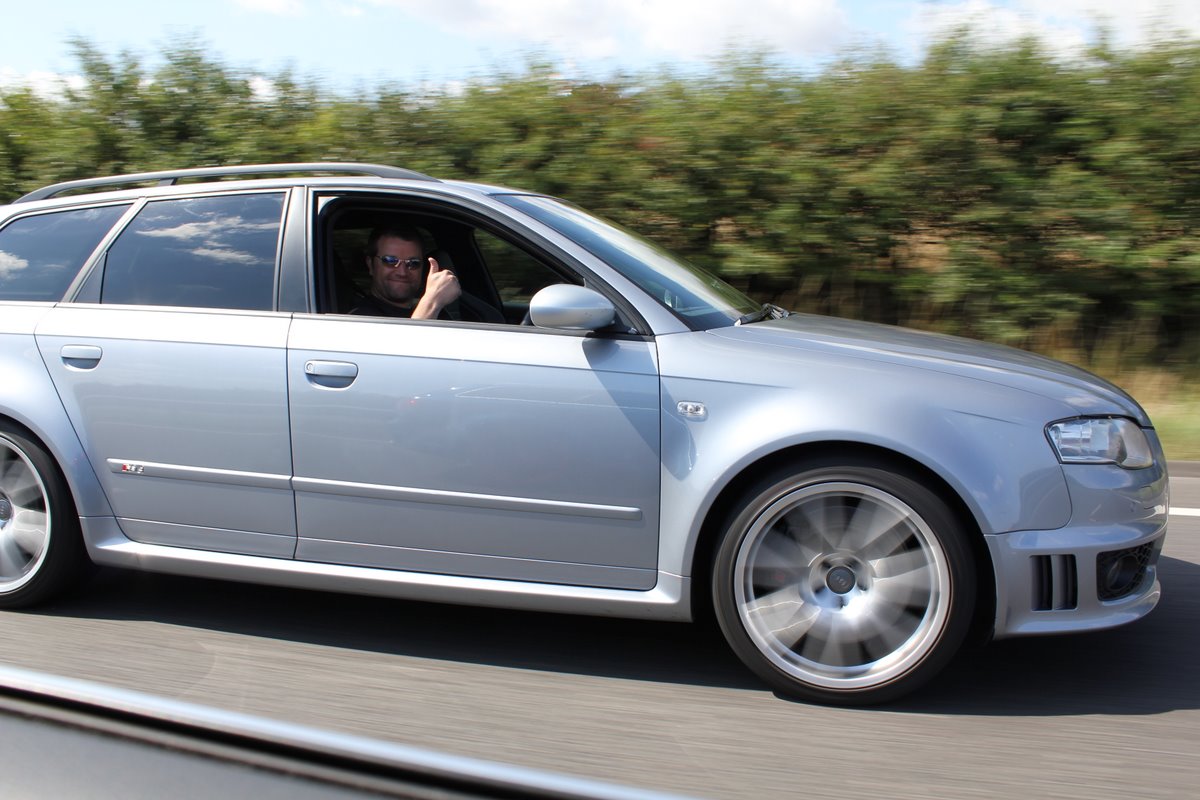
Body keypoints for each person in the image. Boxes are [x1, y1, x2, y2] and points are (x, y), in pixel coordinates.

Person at [351, 225, 461, 319]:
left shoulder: (439, 312)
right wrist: (432, 301)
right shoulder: (359, 319)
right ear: (371, 265)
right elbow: (407, 339)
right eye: (390, 260)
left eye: (413, 263)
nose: (402, 272)